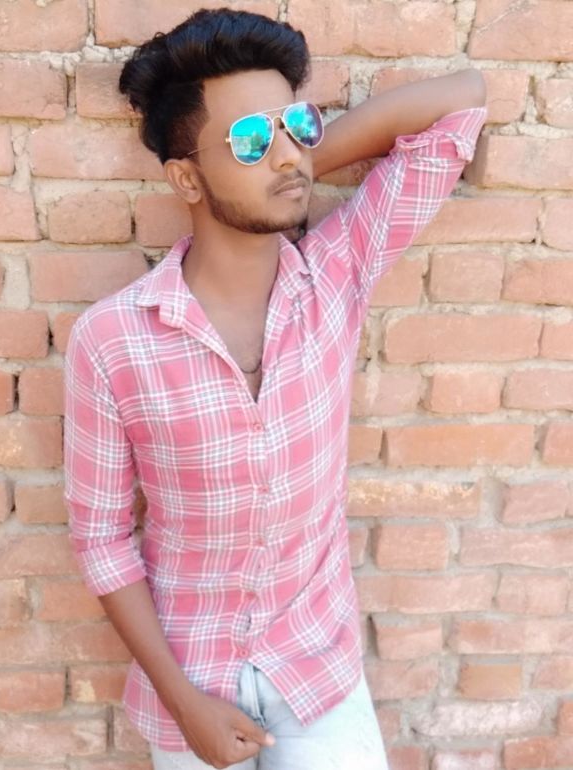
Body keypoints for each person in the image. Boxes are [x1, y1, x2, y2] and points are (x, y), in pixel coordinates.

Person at [63, 8, 487, 770]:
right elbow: (102, 542)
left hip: (317, 668)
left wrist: (290, 162)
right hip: (191, 679)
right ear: (185, 177)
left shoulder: (336, 275)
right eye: (251, 140)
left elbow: (462, 100)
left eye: (295, 126)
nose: (287, 153)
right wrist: (182, 703)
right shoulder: (112, 342)